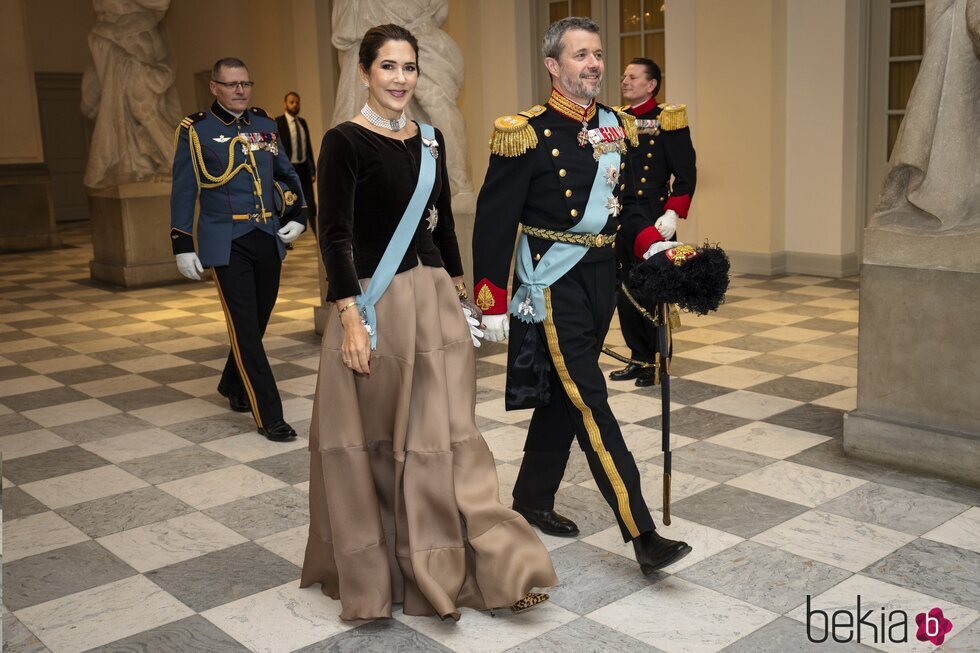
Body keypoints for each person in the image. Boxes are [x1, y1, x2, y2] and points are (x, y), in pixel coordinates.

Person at [301, 24, 556, 622]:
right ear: (364, 73)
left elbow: (439, 227)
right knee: (381, 444)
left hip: (433, 303)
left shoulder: (433, 141)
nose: (399, 79)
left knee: (448, 438)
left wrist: (461, 295)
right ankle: (383, 570)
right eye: (387, 67)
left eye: (409, 67)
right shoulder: (343, 142)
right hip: (373, 307)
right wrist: (350, 320)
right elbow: (333, 236)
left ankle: (490, 562)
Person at [471, 17, 692, 576]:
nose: (594, 64)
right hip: (551, 282)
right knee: (591, 401)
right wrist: (492, 300)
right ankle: (642, 532)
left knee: (564, 396)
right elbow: (494, 223)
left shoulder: (618, 125)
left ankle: (532, 497)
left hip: (600, 280)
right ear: (553, 66)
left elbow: (628, 206)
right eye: (580, 55)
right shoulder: (526, 131)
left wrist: (651, 247)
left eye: (598, 54)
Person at [170, 57, 307, 443]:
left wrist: (299, 213)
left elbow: (285, 172)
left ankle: (232, 381)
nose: (240, 91)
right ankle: (269, 415)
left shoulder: (265, 124)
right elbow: (183, 188)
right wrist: (182, 242)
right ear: (214, 87)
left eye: (245, 83)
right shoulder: (196, 130)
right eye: (231, 85)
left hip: (266, 235)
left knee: (257, 322)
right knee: (245, 331)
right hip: (225, 242)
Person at [609, 57, 697, 387]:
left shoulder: (668, 120)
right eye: (623, 75)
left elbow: (686, 175)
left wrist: (673, 213)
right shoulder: (615, 121)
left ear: (651, 85)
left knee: (653, 292)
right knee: (626, 290)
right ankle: (638, 356)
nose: (625, 81)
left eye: (633, 77)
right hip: (622, 217)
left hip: (655, 217)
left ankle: (658, 362)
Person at [275, 92, 317, 234]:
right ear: (285, 104)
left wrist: (313, 169)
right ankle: (287, 235)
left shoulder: (302, 122)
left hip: (304, 168)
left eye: (297, 102)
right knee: (288, 202)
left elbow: (308, 147)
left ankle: (317, 234)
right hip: (287, 170)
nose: (295, 105)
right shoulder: (277, 122)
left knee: (310, 202)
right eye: (292, 102)